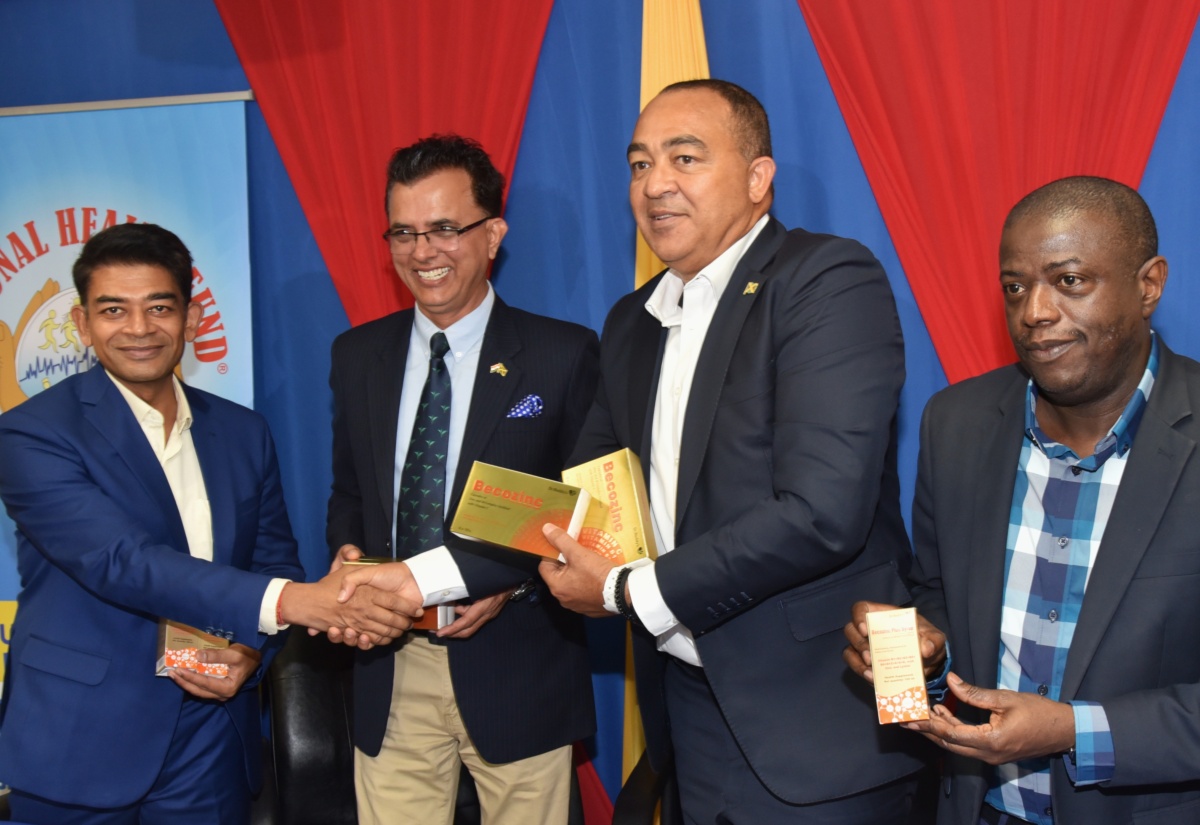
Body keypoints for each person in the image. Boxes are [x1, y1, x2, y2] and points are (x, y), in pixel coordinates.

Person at [538, 79, 925, 823]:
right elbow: (591, 487)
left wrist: (623, 591)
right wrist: (496, 543)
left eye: (685, 158)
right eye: (639, 163)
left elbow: (820, 514)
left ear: (758, 179)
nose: (655, 185)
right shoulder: (632, 320)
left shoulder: (827, 279)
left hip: (821, 718)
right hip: (688, 707)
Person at [0, 222, 417, 823]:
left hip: (210, 737)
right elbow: (121, 562)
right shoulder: (34, 434)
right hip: (80, 737)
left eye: (159, 308)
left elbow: (272, 555)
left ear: (191, 320)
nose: (139, 329)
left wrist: (250, 648)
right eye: (114, 310)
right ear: (83, 325)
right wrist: (300, 603)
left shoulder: (244, 432)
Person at [845, 175, 1200, 824]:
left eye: (1069, 281)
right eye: (1015, 287)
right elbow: (939, 597)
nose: (1034, 311)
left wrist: (1072, 729)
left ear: (1149, 284)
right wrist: (924, 656)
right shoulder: (955, 423)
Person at [324, 134, 599, 824]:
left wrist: (514, 582)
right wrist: (350, 558)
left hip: (516, 658)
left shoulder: (562, 354)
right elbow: (351, 491)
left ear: (493, 233)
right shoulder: (357, 355)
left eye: (445, 228)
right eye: (405, 232)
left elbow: (588, 511)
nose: (423, 252)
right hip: (391, 664)